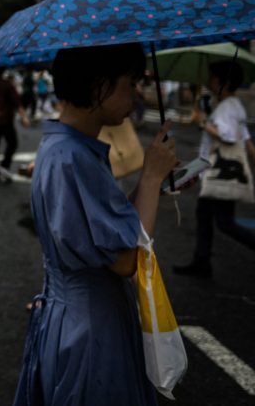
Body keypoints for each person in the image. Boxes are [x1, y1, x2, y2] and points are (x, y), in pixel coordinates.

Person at [14, 43, 178, 406]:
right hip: (91, 328)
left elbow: (111, 226)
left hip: (79, 318)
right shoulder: (72, 157)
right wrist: (150, 179)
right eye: (130, 82)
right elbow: (123, 259)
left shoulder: (70, 148)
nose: (137, 93)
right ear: (98, 84)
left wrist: (152, 183)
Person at [174, 60, 255, 282]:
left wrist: (202, 123)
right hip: (220, 171)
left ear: (223, 82)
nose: (209, 82)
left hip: (220, 172)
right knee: (205, 216)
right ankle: (202, 260)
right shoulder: (234, 104)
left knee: (225, 223)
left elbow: (228, 136)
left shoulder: (226, 108)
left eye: (213, 78)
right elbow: (246, 139)